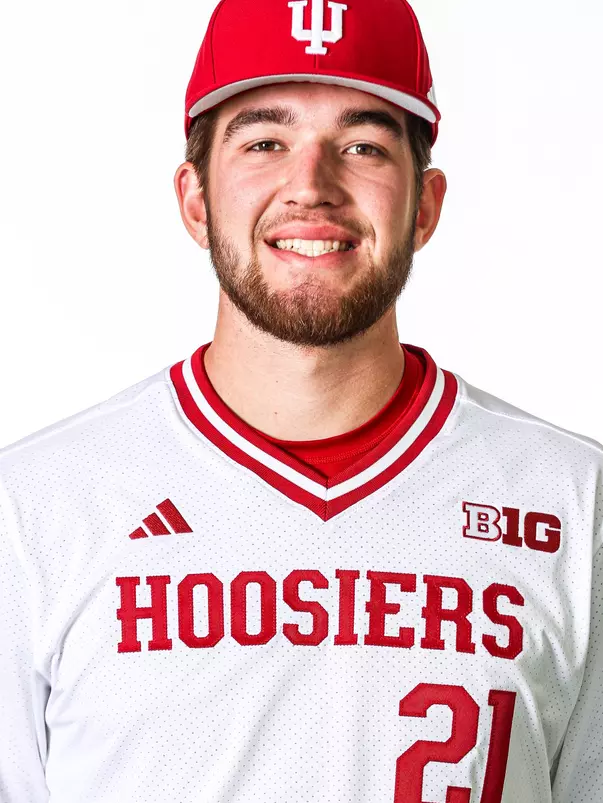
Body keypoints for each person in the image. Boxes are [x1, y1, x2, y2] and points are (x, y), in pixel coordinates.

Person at [0, 0, 601, 800]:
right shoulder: (33, 508)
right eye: (264, 142)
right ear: (195, 199)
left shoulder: (573, 500)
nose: (310, 187)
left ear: (423, 205)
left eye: (360, 145)